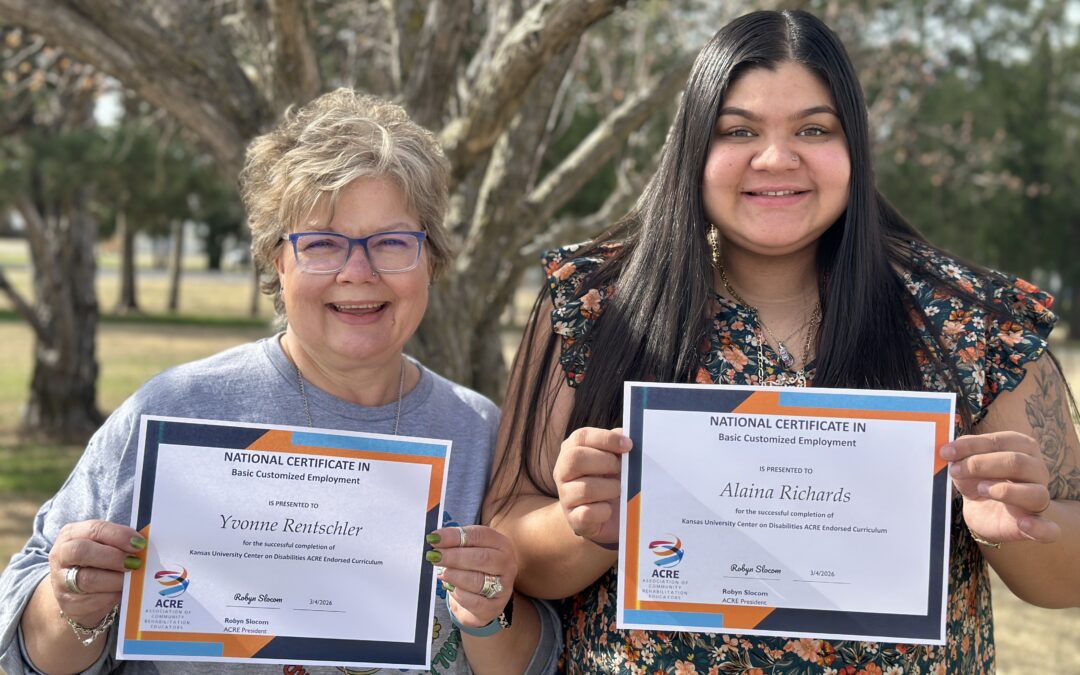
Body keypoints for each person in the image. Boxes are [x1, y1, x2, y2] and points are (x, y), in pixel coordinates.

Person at [485, 9, 1079, 674]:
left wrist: (1016, 528)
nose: (775, 158)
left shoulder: (971, 322)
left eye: (813, 129)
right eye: (738, 130)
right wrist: (585, 527)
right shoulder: (596, 305)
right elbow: (508, 549)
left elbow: (1067, 576)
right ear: (693, 147)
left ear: (854, 146)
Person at [0, 89, 560, 675]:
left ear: (431, 260)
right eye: (322, 244)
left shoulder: (482, 434)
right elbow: (27, 653)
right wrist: (72, 603)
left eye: (392, 242)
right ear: (277, 262)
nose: (358, 272)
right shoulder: (176, 412)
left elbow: (538, 660)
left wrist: (490, 613)